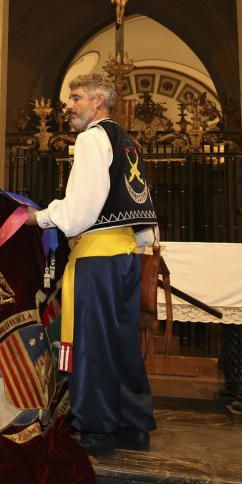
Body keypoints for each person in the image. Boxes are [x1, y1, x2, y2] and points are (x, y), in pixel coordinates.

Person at [23, 73, 158, 456]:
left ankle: (97, 429)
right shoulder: (128, 141)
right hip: (126, 256)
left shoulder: (92, 138)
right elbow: (140, 205)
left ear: (99, 101)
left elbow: (80, 209)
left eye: (77, 97)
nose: (69, 105)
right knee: (122, 343)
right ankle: (134, 425)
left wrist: (39, 218)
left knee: (93, 345)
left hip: (97, 258)